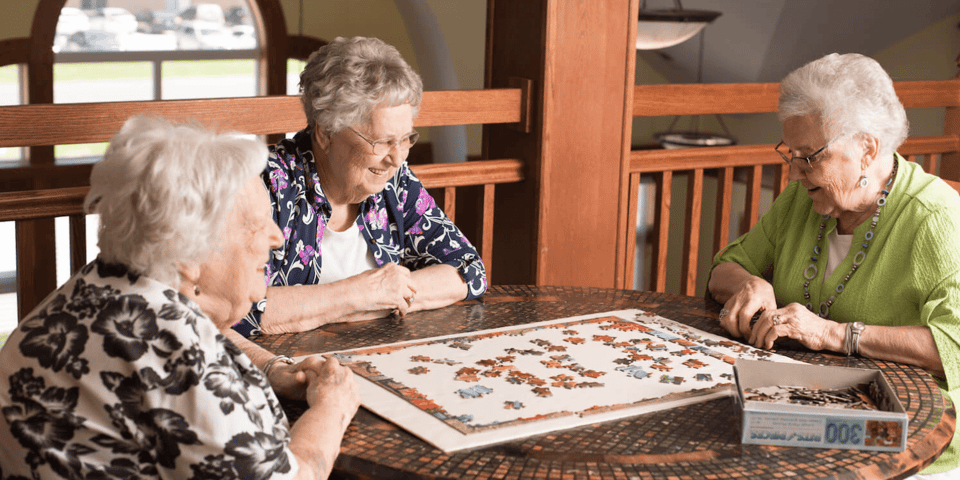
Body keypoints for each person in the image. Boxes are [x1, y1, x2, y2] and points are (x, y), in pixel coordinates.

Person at [0, 116, 359, 479]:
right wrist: (331, 408)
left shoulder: (96, 288)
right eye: (256, 225)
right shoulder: (176, 348)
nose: (277, 237)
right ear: (188, 254)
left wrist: (272, 372)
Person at [708, 53, 960, 476]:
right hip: (800, 422)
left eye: (810, 155)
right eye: (791, 153)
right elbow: (725, 267)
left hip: (906, 446)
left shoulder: (935, 218)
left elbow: (954, 346)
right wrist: (750, 283)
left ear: (867, 149)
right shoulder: (801, 202)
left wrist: (833, 334)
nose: (793, 173)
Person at [233, 36, 487, 337]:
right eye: (382, 142)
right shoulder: (267, 186)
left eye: (406, 138)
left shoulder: (395, 183)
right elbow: (235, 308)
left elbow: (467, 269)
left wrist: (392, 295)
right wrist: (357, 295)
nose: (397, 157)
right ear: (326, 133)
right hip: (287, 370)